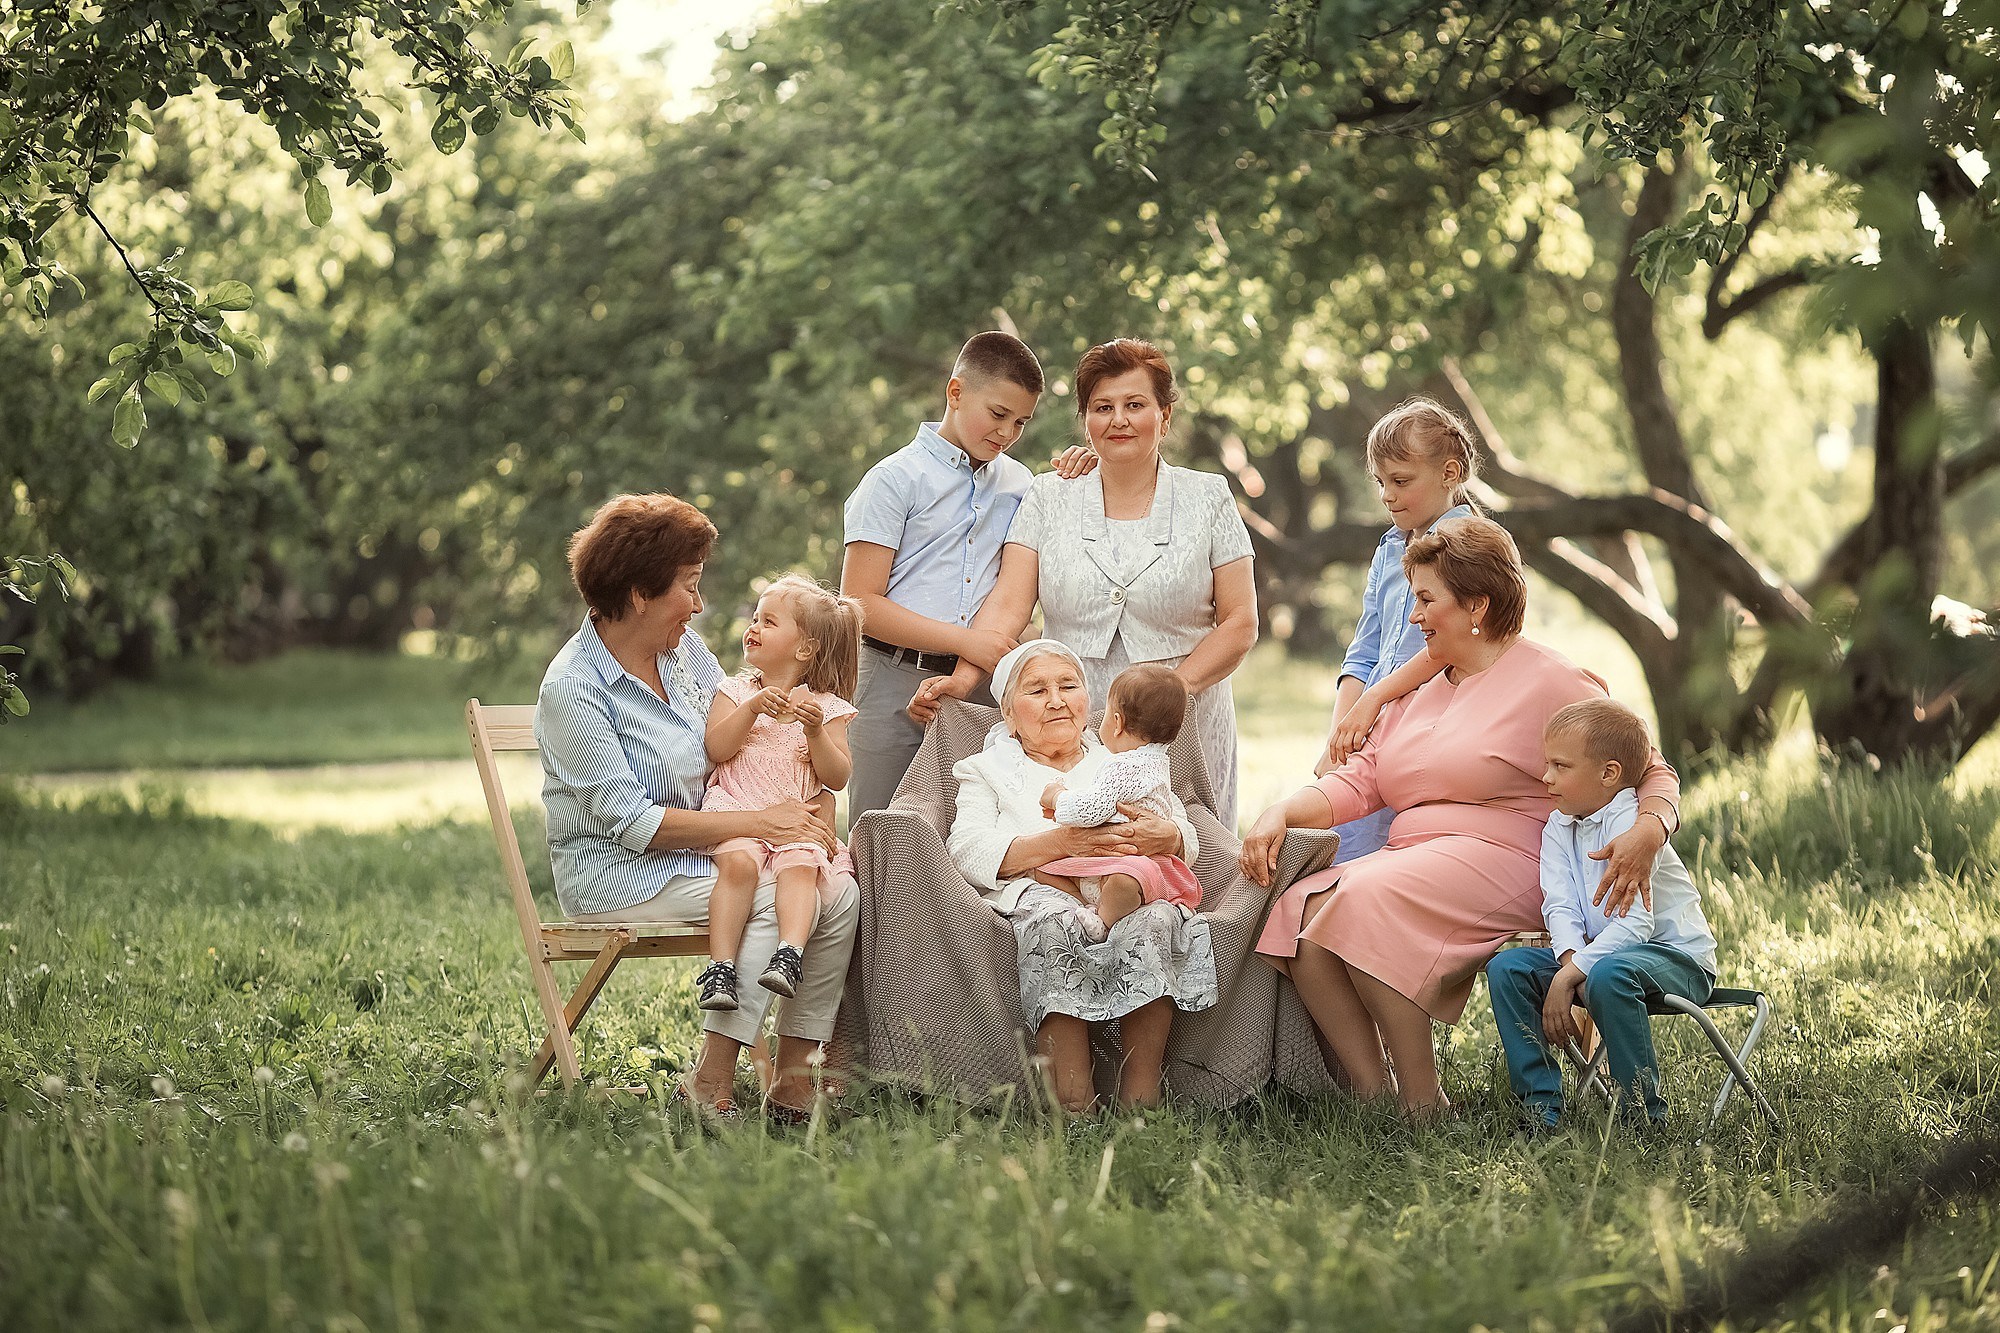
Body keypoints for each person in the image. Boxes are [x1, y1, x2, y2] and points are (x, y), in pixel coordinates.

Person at [1239, 516, 1683, 1117]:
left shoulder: (1552, 679)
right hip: (1418, 854)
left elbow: (1649, 767)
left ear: (1476, 604)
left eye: (1426, 600)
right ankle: (1376, 1096)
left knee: (1365, 898)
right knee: (1299, 912)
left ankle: (1422, 1101)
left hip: (1517, 860)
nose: (1414, 616)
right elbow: (1360, 779)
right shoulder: (1417, 689)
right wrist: (1280, 812)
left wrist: (1648, 833)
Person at [535, 494, 857, 1122]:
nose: (701, 604)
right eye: (688, 585)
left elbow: (753, 746)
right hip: (619, 872)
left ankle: (793, 1084)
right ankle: (711, 1081)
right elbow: (635, 824)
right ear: (638, 595)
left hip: (718, 850)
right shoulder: (572, 687)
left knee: (838, 893)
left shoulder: (685, 655)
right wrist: (762, 823)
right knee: (773, 895)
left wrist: (811, 803)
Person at [913, 338, 1258, 826]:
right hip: (1071, 722)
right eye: (1103, 407)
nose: (1118, 420)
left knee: (1187, 864)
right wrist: (964, 678)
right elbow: (1009, 604)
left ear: (1165, 416)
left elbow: (1240, 623)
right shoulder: (1048, 495)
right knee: (1078, 861)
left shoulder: (1209, 497)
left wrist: (1166, 696)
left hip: (1186, 719)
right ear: (1086, 419)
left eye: (1135, 405)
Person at [947, 640, 1215, 1112]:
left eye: (1068, 685)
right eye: (1037, 690)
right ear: (1007, 715)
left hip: (1125, 888)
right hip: (1041, 887)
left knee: (1156, 923)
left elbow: (1185, 829)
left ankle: (1140, 1095)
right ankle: (1072, 1103)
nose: (1056, 699)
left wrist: (1168, 837)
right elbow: (966, 848)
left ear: (1090, 703)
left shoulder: (1122, 756)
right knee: (1055, 923)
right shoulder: (986, 771)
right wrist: (1059, 846)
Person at [840, 332, 1050, 826]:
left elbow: (1015, 584)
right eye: (998, 415)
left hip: (978, 686)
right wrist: (970, 642)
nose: (1007, 433)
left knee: (970, 836)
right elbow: (858, 600)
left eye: (1021, 422)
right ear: (955, 392)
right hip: (890, 680)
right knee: (880, 833)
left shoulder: (1022, 485)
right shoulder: (894, 479)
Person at [1486, 699, 1719, 1131]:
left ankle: (1642, 1118)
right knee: (1507, 966)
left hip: (1676, 959)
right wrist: (1567, 964)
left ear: (1608, 774)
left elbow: (1636, 925)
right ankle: (1541, 1107)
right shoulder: (1560, 824)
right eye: (1547, 764)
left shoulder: (1632, 826)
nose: (1546, 777)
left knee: (1610, 974)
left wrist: (1567, 978)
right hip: (1600, 960)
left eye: (1560, 766)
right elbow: (1560, 904)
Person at [1312, 398, 1478, 862]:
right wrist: (1340, 734)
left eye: (1401, 482)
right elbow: (1365, 649)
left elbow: (1448, 650)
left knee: (1397, 853)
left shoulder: (1467, 545)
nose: (1387, 495)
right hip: (1371, 722)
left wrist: (1374, 702)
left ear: (1450, 472)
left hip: (1429, 725)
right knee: (1340, 846)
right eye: (1381, 482)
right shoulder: (1389, 549)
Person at [696, 574, 862, 1012]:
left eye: (768, 622)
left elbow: (838, 775)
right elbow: (717, 747)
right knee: (738, 865)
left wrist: (815, 734)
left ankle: (789, 954)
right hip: (739, 805)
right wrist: (751, 709)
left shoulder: (825, 708)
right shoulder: (734, 691)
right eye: (754, 618)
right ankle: (721, 969)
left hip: (797, 821)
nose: (753, 627)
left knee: (801, 869)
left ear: (804, 649)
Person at [1034, 663, 1202, 942]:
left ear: (1117, 723)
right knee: (1043, 869)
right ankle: (1092, 906)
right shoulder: (1158, 762)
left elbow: (1094, 808)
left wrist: (1058, 797)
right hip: (1124, 863)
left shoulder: (1124, 766)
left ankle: (1104, 921)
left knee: (1124, 880)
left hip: (1128, 864)